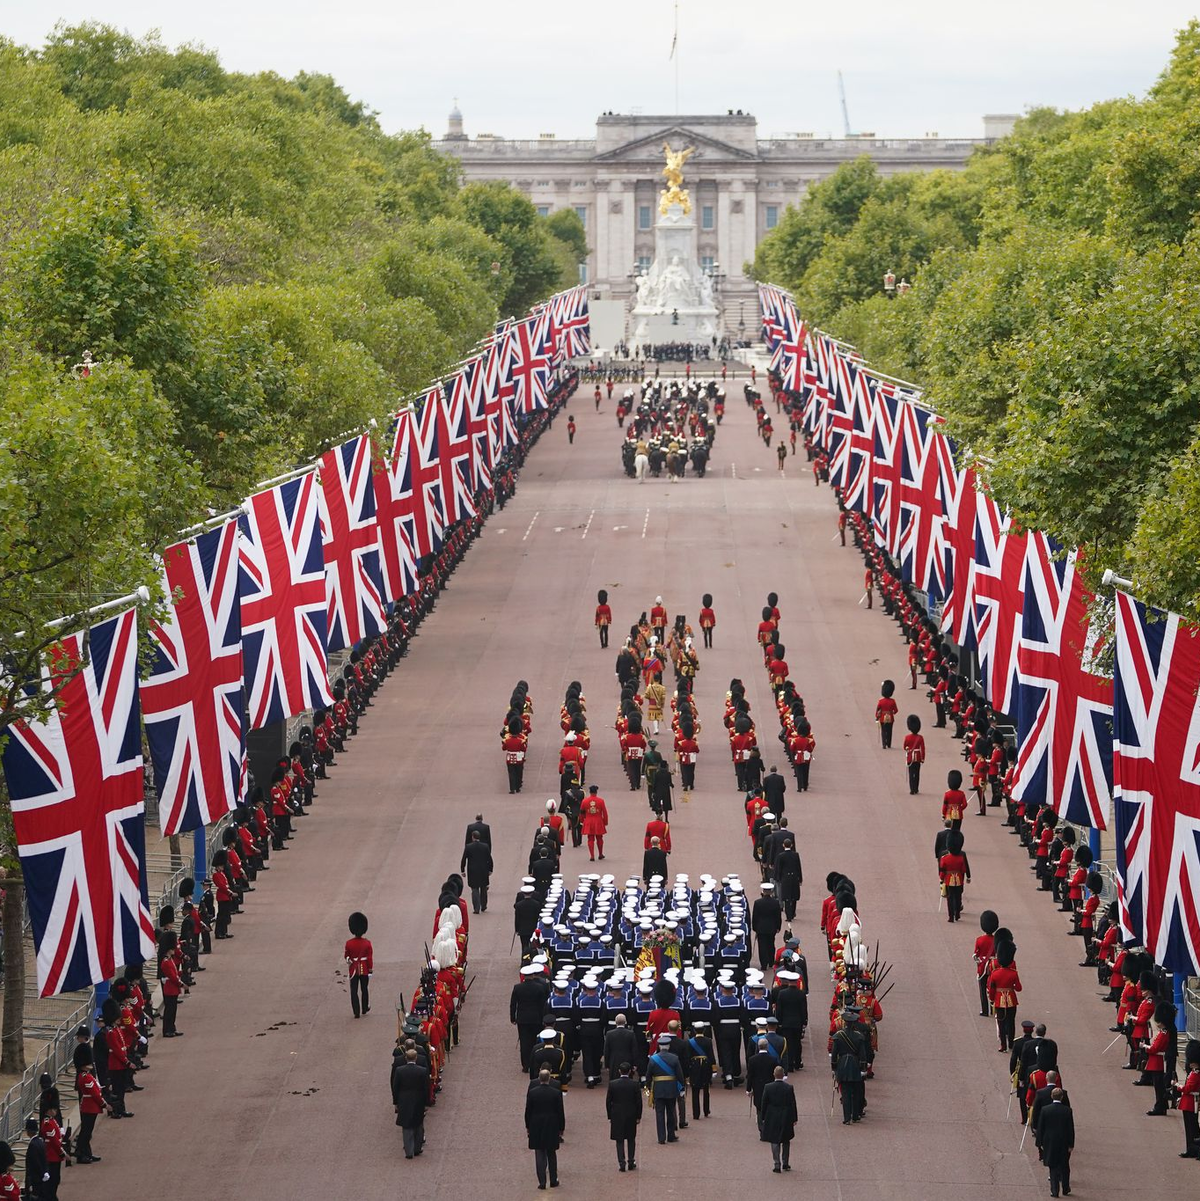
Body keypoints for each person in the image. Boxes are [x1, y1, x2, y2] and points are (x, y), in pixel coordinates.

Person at [525, 1067, 565, 1189]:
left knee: (539, 1152)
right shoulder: (555, 1093)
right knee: (551, 1153)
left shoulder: (533, 1092)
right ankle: (553, 1179)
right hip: (552, 1124)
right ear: (549, 1078)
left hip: (536, 1124)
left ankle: (542, 1181)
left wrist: (527, 1126)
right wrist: (561, 1128)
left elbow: (528, 1111)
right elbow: (560, 1112)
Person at [1035, 1088, 1074, 1197]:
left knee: (1052, 1166)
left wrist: (1040, 1143)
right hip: (1064, 1141)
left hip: (1050, 1141)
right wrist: (1071, 1144)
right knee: (1064, 1165)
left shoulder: (1045, 1110)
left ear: (1052, 1097)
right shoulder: (1067, 1110)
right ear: (1062, 1097)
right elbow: (1070, 1128)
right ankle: (1065, 1188)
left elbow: (1041, 1127)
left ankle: (1055, 1191)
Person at [392, 1047, 429, 1159]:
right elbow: (426, 1087)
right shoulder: (422, 1071)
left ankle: (409, 1151)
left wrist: (396, 1101)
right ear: (416, 1058)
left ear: (406, 1058)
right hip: (418, 1099)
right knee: (418, 1123)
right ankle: (417, 1148)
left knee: (406, 1125)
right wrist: (426, 1102)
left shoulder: (399, 1070)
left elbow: (395, 1087)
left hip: (404, 1100)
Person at [647, 1036, 685, 1144]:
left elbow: (648, 1075)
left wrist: (648, 1089)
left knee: (659, 1114)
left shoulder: (653, 1059)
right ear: (668, 1046)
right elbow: (680, 1075)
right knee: (671, 1112)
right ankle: (671, 1135)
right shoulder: (674, 1058)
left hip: (658, 1088)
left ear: (659, 1046)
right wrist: (682, 1088)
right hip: (671, 1088)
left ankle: (661, 1137)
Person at [606, 1061, 643, 1172]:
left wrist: (610, 1116)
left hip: (617, 1114)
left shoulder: (613, 1084)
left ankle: (621, 1162)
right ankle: (631, 1161)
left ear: (619, 1071)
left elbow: (608, 1101)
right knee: (631, 1138)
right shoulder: (635, 1084)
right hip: (631, 1114)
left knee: (619, 1139)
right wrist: (638, 1116)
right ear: (630, 1071)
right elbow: (639, 1102)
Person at [760, 1065, 797, 1173]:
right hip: (786, 1116)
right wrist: (794, 1118)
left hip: (772, 1116)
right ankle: (785, 1163)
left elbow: (764, 1103)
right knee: (786, 1140)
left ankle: (777, 1164)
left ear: (774, 1075)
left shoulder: (768, 1087)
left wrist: (763, 1117)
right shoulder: (789, 1088)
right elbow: (792, 1104)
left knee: (774, 1141)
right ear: (783, 1075)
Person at [345, 912, 373, 1018]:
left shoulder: (349, 943)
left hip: (353, 970)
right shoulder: (367, 943)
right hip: (364, 969)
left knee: (354, 990)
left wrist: (349, 960)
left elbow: (346, 956)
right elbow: (369, 958)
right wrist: (370, 969)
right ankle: (364, 1008)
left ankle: (356, 1011)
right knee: (364, 988)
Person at [460, 831, 494, 914]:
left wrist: (462, 870)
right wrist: (490, 869)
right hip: (483, 870)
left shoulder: (468, 847)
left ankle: (476, 908)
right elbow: (489, 859)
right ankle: (484, 905)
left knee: (474, 889)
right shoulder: (485, 846)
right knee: (483, 888)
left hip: (472, 871)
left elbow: (464, 859)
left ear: (473, 837)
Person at [752, 884, 783, 970]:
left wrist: (755, 927)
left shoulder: (757, 902)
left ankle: (763, 964)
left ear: (763, 891)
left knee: (762, 946)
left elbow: (755, 917)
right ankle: (771, 961)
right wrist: (778, 927)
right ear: (771, 892)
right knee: (771, 944)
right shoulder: (775, 902)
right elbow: (778, 916)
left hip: (761, 928)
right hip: (772, 927)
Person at [582, 788, 609, 861]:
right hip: (598, 821)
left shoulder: (585, 801)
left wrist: (582, 821)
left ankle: (592, 856)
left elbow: (582, 812)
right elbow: (605, 813)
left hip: (589, 821)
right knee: (599, 838)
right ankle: (600, 854)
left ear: (590, 792)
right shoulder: (601, 801)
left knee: (590, 839)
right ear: (596, 792)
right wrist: (605, 822)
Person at [903, 714, 925, 793]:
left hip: (910, 757)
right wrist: (922, 758)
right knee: (917, 774)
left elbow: (905, 747)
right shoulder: (920, 737)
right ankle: (916, 788)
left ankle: (912, 789)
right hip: (918, 757)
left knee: (911, 774)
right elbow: (922, 749)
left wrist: (908, 749)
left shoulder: (907, 737)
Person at [875, 680, 897, 748]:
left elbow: (878, 710)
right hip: (890, 718)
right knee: (889, 731)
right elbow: (896, 710)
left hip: (882, 718)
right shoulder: (892, 701)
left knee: (883, 731)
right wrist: (891, 713)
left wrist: (877, 717)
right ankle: (889, 744)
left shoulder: (881, 701)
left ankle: (884, 744)